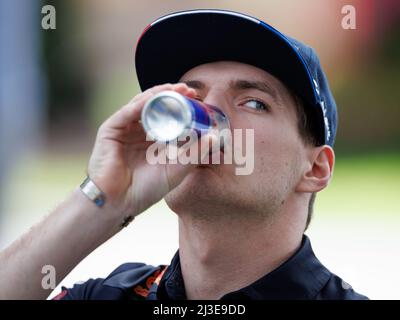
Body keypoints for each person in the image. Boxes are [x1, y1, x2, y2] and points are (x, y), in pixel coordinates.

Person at [0, 9, 368, 300]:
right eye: (190, 99)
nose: (208, 116)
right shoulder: (111, 295)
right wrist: (104, 199)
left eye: (254, 102)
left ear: (315, 168)